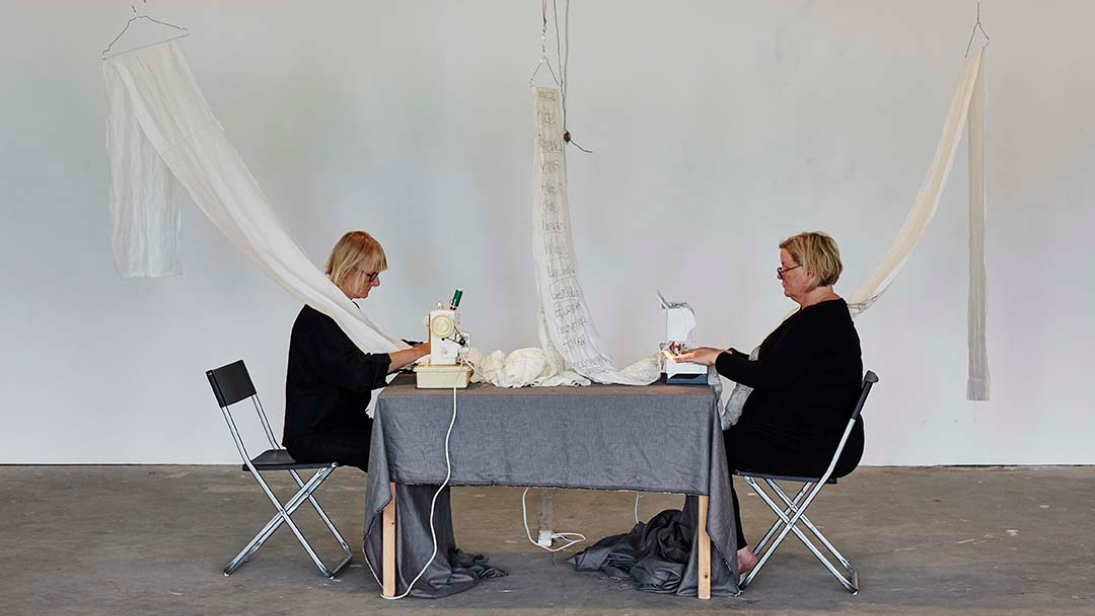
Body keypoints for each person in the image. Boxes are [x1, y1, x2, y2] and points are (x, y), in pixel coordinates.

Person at [674, 231, 864, 575]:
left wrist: (718, 359)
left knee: (706, 450)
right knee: (707, 446)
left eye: (784, 270)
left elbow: (769, 377)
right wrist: (723, 356)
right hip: (811, 436)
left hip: (814, 446)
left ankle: (735, 548)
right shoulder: (820, 315)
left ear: (810, 270)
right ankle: (723, 541)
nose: (781, 278)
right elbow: (781, 369)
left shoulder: (819, 321)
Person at [282, 230, 429, 471]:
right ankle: (391, 510)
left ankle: (402, 509)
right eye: (372, 275)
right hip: (316, 435)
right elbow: (359, 373)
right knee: (395, 447)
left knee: (406, 437)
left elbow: (376, 346)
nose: (377, 283)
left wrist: (420, 348)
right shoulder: (320, 318)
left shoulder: (340, 310)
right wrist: (418, 352)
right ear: (349, 270)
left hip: (343, 424)